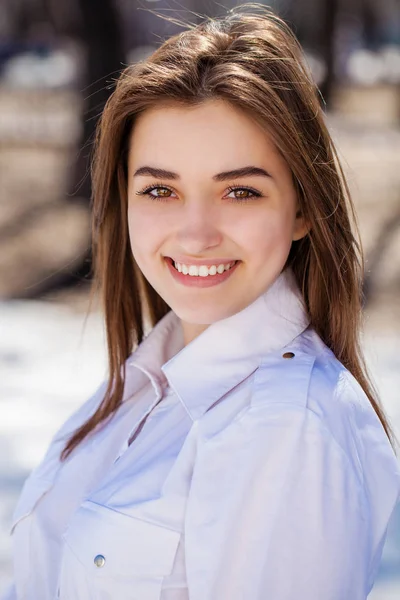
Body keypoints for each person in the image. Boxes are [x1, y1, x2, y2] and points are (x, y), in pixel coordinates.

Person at [4, 6, 400, 600]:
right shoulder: (145, 386)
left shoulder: (285, 426)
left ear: (302, 209)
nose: (195, 234)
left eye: (240, 191)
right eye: (160, 189)